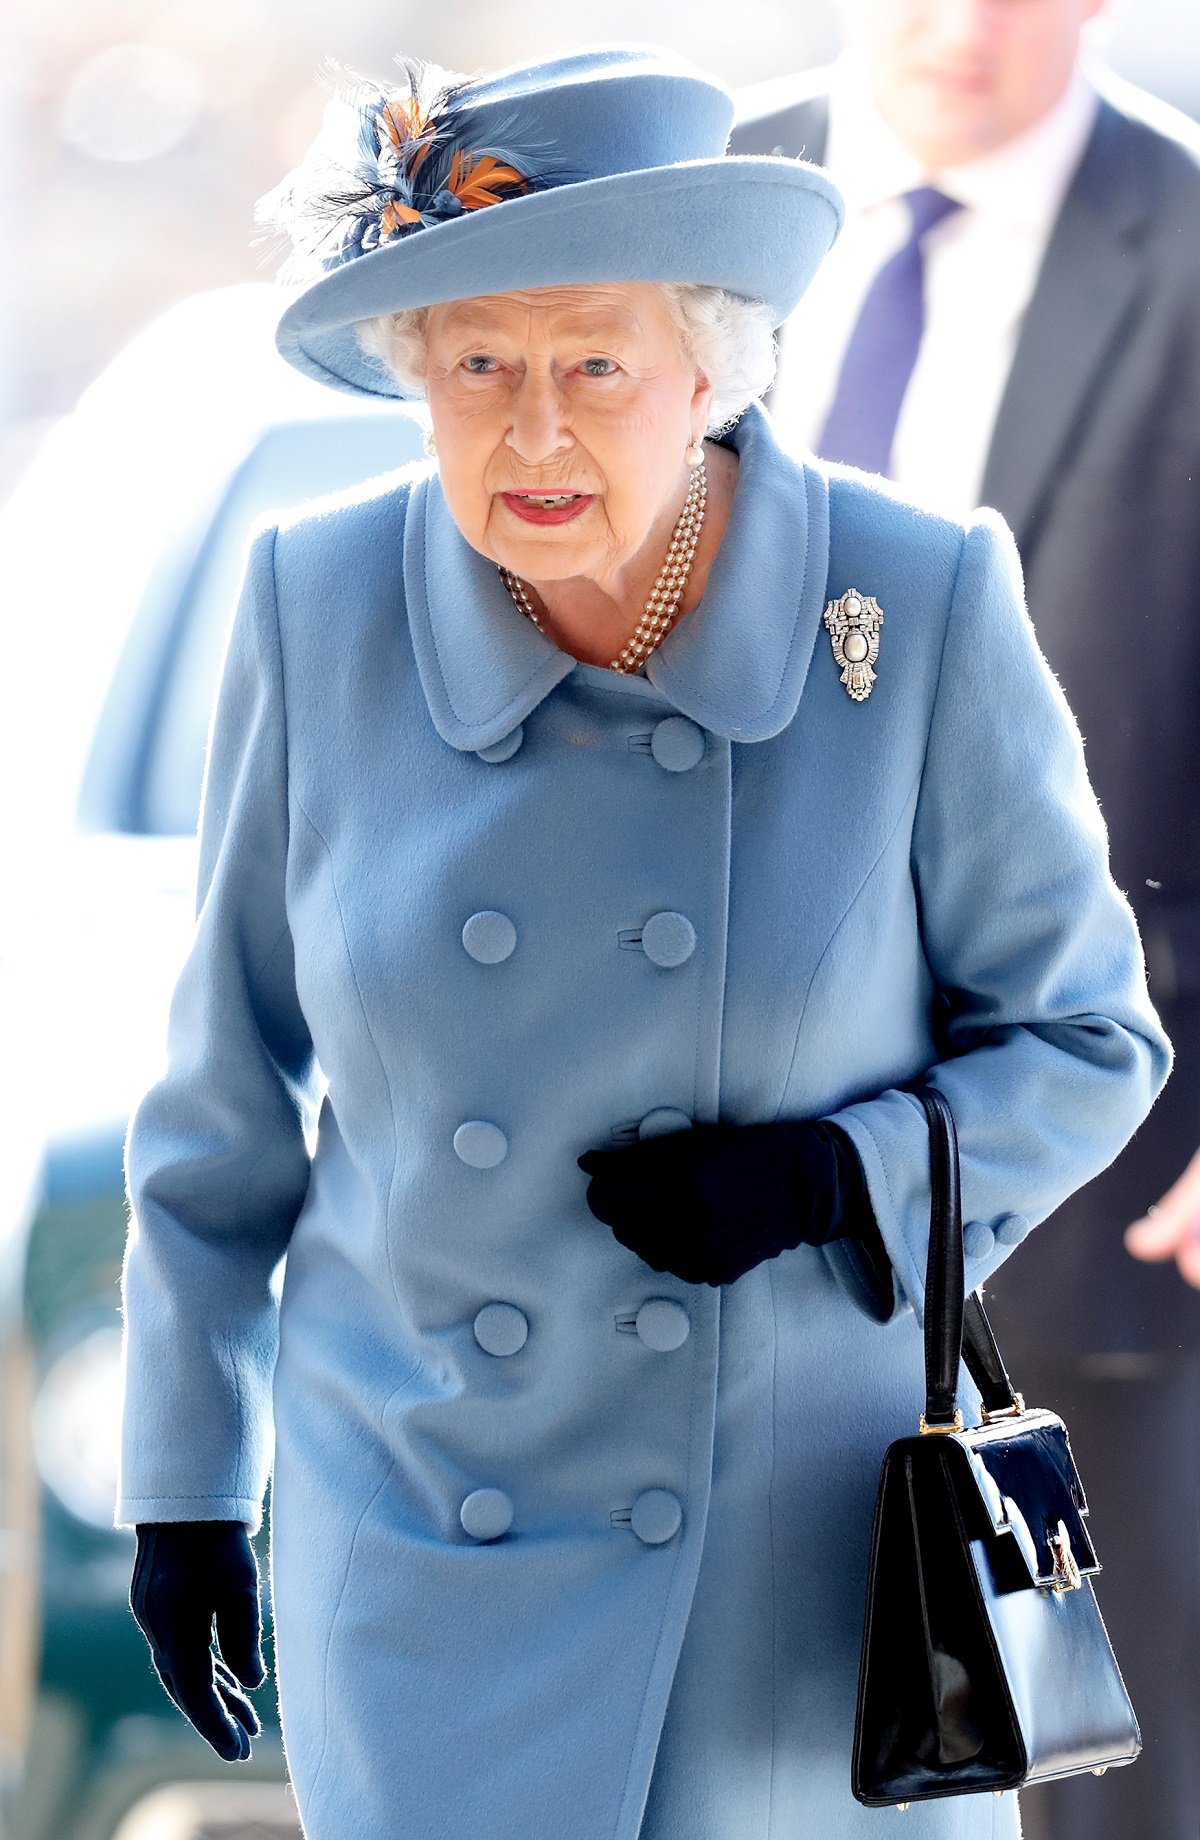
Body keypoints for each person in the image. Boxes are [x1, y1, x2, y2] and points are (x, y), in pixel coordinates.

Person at [115, 45, 1168, 1840]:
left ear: (709, 362)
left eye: (593, 362)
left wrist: (841, 1177)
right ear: (415, 381)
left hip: (798, 1594)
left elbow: (1090, 1042)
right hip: (430, 1557)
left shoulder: (908, 605)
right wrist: (185, 1492)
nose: (531, 432)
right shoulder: (313, 606)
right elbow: (221, 1109)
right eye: (476, 366)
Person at [733, 6, 1200, 1835]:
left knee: (1099, 1781)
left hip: (1115, 1189)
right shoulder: (686, 207)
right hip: (727, 1177)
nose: (964, 19)